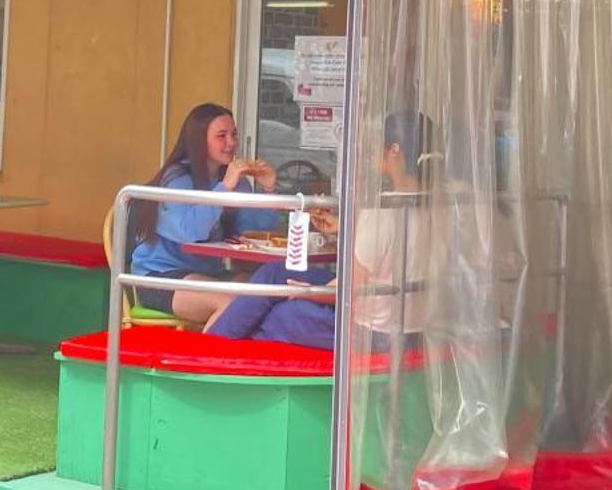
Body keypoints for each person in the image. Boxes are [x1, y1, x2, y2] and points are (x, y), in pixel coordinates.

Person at [209, 112, 437, 350]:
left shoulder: (382, 211)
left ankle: (214, 349)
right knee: (275, 273)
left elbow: (347, 290)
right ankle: (217, 343)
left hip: (370, 332)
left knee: (282, 314)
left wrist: (306, 292)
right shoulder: (440, 205)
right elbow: (393, 252)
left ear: (395, 150)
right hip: (412, 327)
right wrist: (341, 229)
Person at [128, 102, 280, 327]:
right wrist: (225, 188)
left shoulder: (232, 181)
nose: (231, 143)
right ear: (200, 140)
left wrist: (269, 189)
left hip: (208, 272)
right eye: (222, 136)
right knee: (231, 304)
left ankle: (235, 358)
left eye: (234, 134)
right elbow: (190, 232)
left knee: (262, 295)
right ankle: (202, 361)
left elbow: (254, 232)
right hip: (161, 276)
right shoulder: (176, 179)